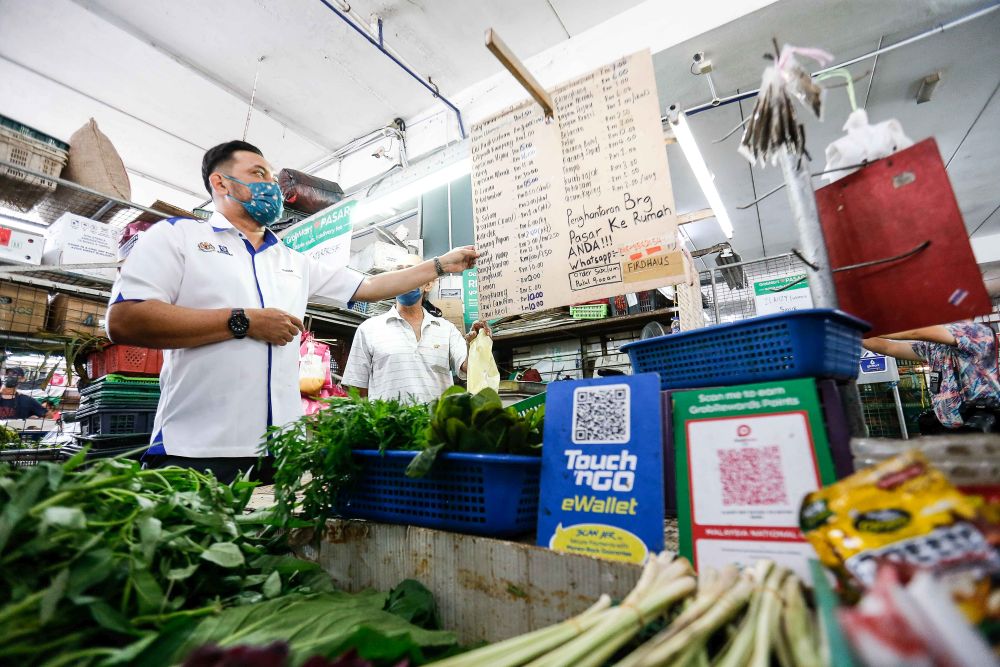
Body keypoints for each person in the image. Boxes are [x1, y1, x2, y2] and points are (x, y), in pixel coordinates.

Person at [106, 140, 478, 482]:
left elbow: (369, 286)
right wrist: (243, 321)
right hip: (195, 449)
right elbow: (125, 320)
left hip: (280, 453)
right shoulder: (179, 237)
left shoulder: (292, 261)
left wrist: (441, 264)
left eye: (271, 174)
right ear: (220, 183)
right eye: (258, 173)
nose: (271, 183)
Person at [341, 260, 490, 403]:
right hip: (390, 427)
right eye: (400, 271)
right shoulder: (368, 329)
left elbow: (469, 369)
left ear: (429, 283)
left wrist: (476, 344)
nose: (406, 277)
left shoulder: (446, 329)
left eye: (413, 270)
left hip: (434, 427)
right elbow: (355, 389)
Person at [863, 321, 1000, 433]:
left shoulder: (976, 332)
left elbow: (916, 332)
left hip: (983, 428)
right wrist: (854, 333)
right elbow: (889, 348)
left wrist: (869, 326)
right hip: (953, 431)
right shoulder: (934, 346)